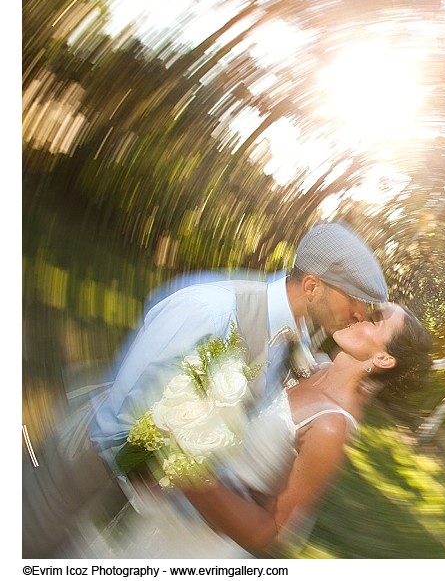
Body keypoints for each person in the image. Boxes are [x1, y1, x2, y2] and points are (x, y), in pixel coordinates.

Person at [23, 222, 389, 558]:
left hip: (148, 512)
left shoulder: (294, 340)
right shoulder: (209, 311)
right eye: (354, 298)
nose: (360, 312)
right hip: (87, 478)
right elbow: (125, 420)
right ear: (311, 286)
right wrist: (185, 476)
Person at [78, 303, 433, 558]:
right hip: (157, 505)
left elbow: (269, 531)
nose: (359, 314)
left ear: (384, 359)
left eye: (373, 319)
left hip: (185, 548)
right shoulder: (315, 365)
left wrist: (186, 467)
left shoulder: (331, 427)